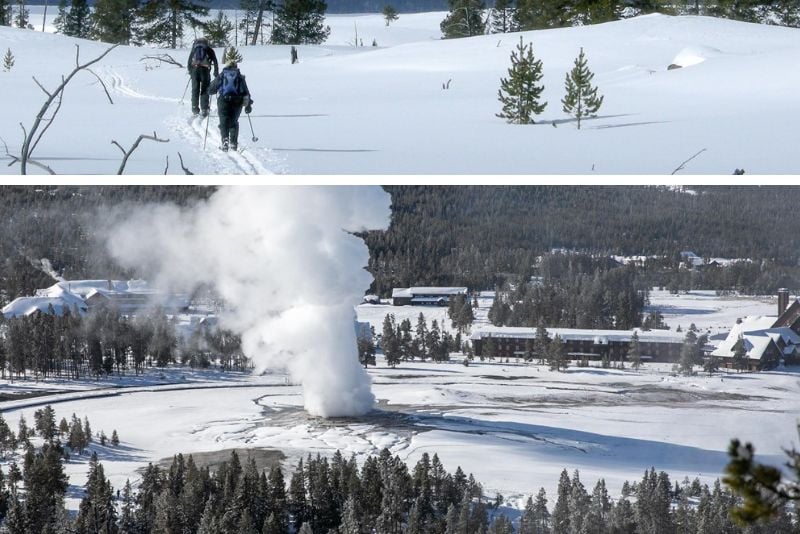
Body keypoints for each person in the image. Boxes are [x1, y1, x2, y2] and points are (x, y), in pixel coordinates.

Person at [209, 60, 253, 152]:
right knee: (234, 122)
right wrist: (248, 105)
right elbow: (246, 91)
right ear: (236, 66)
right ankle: (233, 144)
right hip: (237, 101)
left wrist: (209, 91)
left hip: (223, 100)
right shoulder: (240, 77)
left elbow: (212, 89)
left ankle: (225, 141)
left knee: (223, 120)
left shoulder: (222, 75)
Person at [186, 37, 219, 117]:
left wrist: (190, 71)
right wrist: (216, 72)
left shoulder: (194, 49)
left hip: (195, 70)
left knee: (195, 90)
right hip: (205, 71)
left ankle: (195, 109)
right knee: (205, 90)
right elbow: (215, 61)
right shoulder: (209, 49)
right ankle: (204, 109)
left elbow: (189, 60)